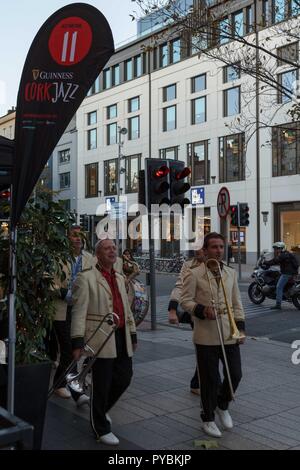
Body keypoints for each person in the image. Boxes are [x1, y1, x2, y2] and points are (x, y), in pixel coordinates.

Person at [71, 237, 137, 446]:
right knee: (102, 383)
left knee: (124, 377)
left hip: (120, 335)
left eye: (114, 248)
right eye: (107, 248)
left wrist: (133, 334)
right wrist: (77, 342)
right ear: (98, 254)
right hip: (99, 337)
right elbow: (79, 312)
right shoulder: (86, 278)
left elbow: (126, 309)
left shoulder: (119, 277)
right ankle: (100, 428)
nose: (112, 251)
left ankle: (100, 410)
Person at [181, 232, 245, 438]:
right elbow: (186, 301)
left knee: (235, 374)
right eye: (214, 247)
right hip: (205, 333)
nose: (218, 251)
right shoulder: (195, 273)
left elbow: (237, 303)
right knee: (208, 379)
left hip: (228, 331)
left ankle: (222, 404)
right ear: (206, 250)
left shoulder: (230, 273)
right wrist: (201, 310)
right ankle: (207, 418)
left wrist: (240, 328)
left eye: (221, 247)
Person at [52, 225, 95, 406]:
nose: (78, 239)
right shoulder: (58, 257)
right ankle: (71, 389)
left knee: (78, 349)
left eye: (80, 236)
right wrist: (63, 293)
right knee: (70, 350)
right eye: (74, 236)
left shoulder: (89, 258)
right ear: (67, 238)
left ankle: (64, 384)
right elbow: (47, 280)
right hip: (61, 310)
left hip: (81, 309)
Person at [168, 248, 205, 395]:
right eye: (195, 247)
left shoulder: (218, 264)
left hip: (216, 314)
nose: (197, 250)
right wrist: (172, 309)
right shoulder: (188, 265)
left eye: (201, 247)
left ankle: (197, 382)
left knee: (208, 350)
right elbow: (180, 286)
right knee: (204, 349)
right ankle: (201, 384)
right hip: (196, 312)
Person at [264, 241, 299, 310]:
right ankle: (285, 293)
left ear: (282, 248)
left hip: (287, 273)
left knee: (279, 287)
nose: (276, 250)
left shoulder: (282, 255)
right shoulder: (288, 254)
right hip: (292, 273)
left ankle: (278, 304)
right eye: (276, 248)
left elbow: (275, 261)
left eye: (277, 248)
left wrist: (266, 262)